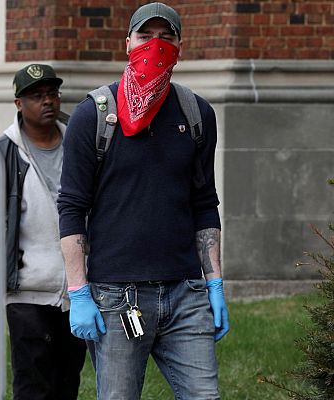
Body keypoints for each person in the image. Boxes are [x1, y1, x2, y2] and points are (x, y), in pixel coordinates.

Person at [58, 3, 230, 399]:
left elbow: (205, 202)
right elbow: (71, 208)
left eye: (166, 37)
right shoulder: (93, 115)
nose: (156, 45)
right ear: (127, 44)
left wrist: (215, 283)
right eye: (145, 36)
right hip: (117, 298)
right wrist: (79, 292)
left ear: (180, 48)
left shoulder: (197, 113)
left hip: (186, 293)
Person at [0, 64, 86, 400]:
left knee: (67, 382)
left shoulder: (81, 143)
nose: (47, 101)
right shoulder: (1, 154)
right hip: (27, 292)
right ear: (19, 103)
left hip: (78, 290)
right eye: (36, 96)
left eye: (52, 93)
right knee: (33, 385)